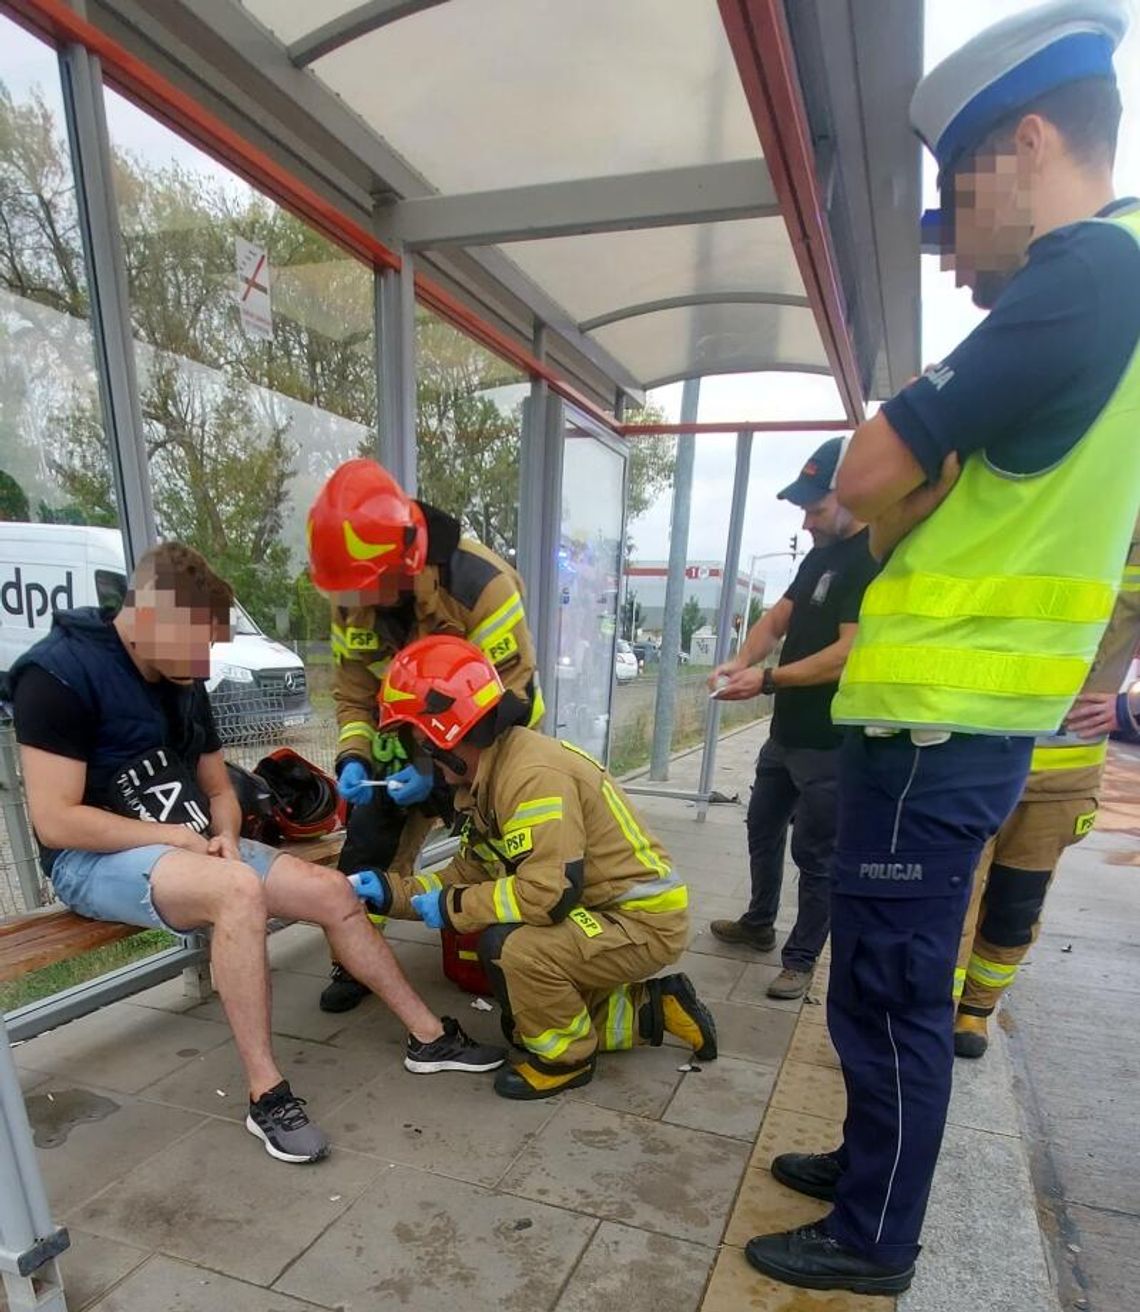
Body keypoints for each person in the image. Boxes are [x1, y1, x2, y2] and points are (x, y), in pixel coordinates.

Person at [744, 1, 1140, 1296]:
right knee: (876, 978)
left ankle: (873, 1239)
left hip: (940, 722)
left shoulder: (1086, 273)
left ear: (1025, 140)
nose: (959, 241)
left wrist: (898, 479)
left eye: (956, 194)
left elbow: (868, 474)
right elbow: (902, 486)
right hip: (948, 719)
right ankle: (868, 1172)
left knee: (892, 993)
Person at [9, 543, 504, 1166]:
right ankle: (266, 1092)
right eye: (203, 644)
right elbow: (56, 822)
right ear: (155, 616)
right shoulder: (57, 673)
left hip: (193, 847)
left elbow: (218, 788)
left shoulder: (181, 678)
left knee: (334, 891)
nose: (209, 660)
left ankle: (428, 1038)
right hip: (92, 862)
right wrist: (182, 843)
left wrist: (220, 834)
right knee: (237, 891)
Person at [350, 634, 718, 1101]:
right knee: (524, 1016)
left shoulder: (530, 778)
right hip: (608, 913)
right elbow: (468, 874)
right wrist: (391, 891)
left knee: (515, 951)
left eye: (417, 738)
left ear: (446, 734)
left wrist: (451, 905)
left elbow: (548, 894)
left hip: (640, 921)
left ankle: (566, 1061)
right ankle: (655, 1010)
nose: (416, 753)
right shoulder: (495, 775)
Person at [306, 458, 543, 1014]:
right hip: (403, 735)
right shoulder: (352, 589)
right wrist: (354, 757)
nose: (356, 603)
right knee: (367, 849)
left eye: (368, 588)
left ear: (406, 562)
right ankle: (355, 961)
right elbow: (354, 690)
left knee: (507, 853)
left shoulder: (482, 585)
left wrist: (441, 771)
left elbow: (515, 699)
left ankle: (519, 962)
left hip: (487, 740)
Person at [954, 518, 1140, 1057]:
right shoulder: (1029, 502)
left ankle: (975, 1012)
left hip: (1060, 777)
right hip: (970, 761)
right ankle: (927, 1013)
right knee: (950, 899)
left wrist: (1128, 709)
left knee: (1016, 901)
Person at [707, 437, 878, 999]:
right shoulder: (820, 556)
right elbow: (776, 618)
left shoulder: (870, 558)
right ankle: (758, 922)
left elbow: (849, 652)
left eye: (816, 508)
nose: (806, 521)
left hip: (829, 745)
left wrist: (770, 679)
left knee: (816, 853)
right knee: (762, 827)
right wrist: (740, 662)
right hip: (785, 737)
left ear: (852, 494)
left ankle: (800, 959)